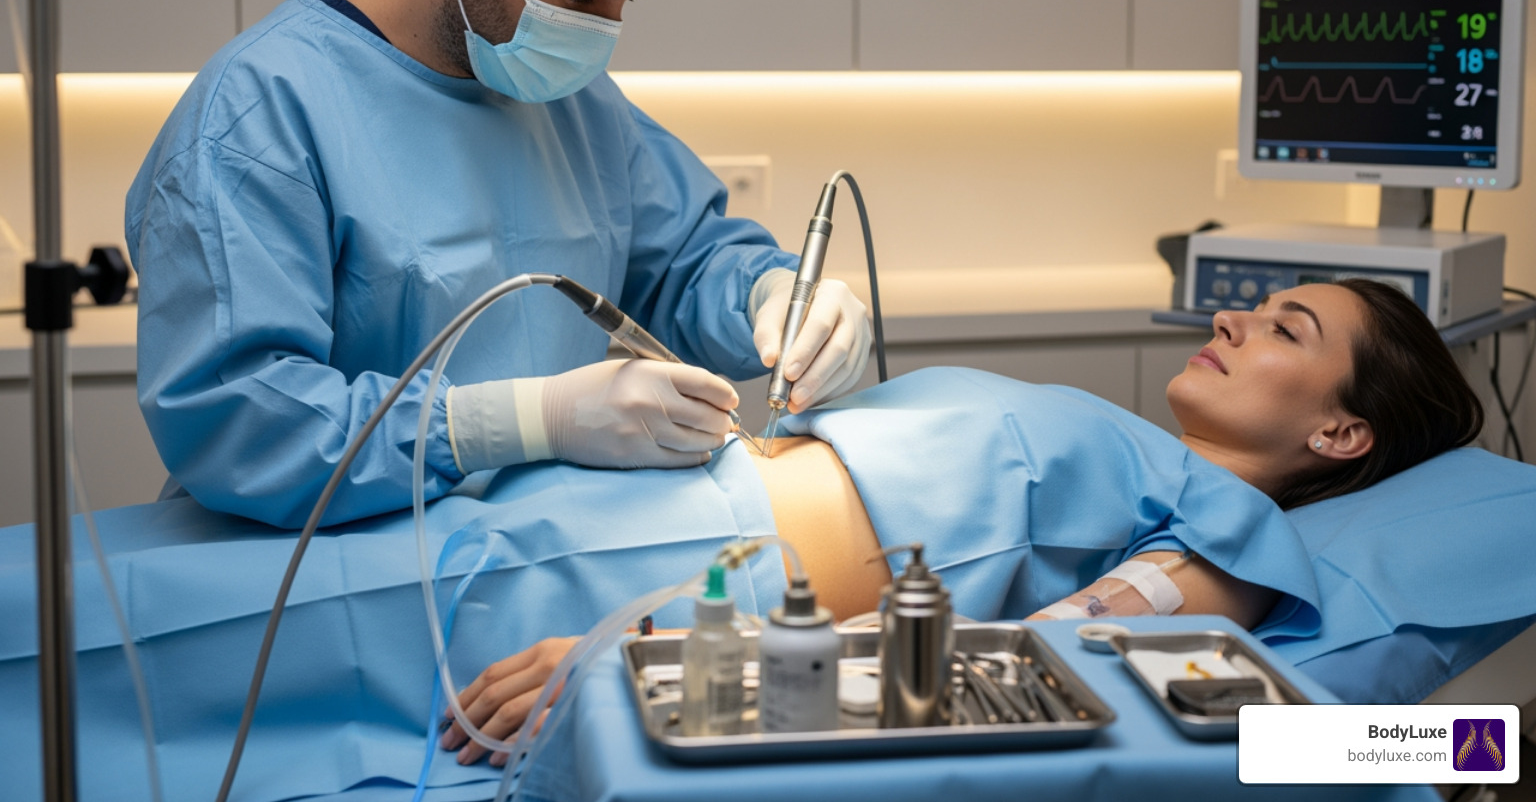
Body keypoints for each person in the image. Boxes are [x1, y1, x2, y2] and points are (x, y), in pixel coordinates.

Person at [123, 0, 871, 530]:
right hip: (323, 579)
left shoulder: (572, 102)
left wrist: (774, 297)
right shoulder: (260, 114)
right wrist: (512, 421)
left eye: (627, 0)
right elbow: (238, 418)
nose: (605, 31)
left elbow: (684, 260)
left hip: (528, 567)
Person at [435, 279, 1484, 766]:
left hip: (650, 586)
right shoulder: (1140, 449)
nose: (1230, 317)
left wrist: (662, 659)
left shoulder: (1228, 541)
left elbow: (1014, 661)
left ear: (1344, 434)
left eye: (1282, 329)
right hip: (595, 500)